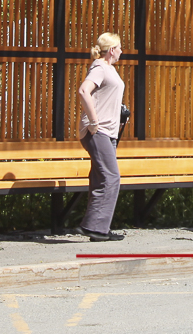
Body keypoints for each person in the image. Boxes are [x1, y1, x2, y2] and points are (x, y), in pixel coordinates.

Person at [77, 32, 125, 243]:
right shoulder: (99, 67)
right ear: (112, 50)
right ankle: (95, 227)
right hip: (98, 132)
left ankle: (97, 229)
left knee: (100, 178)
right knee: (111, 177)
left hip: (108, 131)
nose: (122, 51)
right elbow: (83, 91)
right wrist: (94, 121)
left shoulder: (110, 69)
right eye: (120, 47)